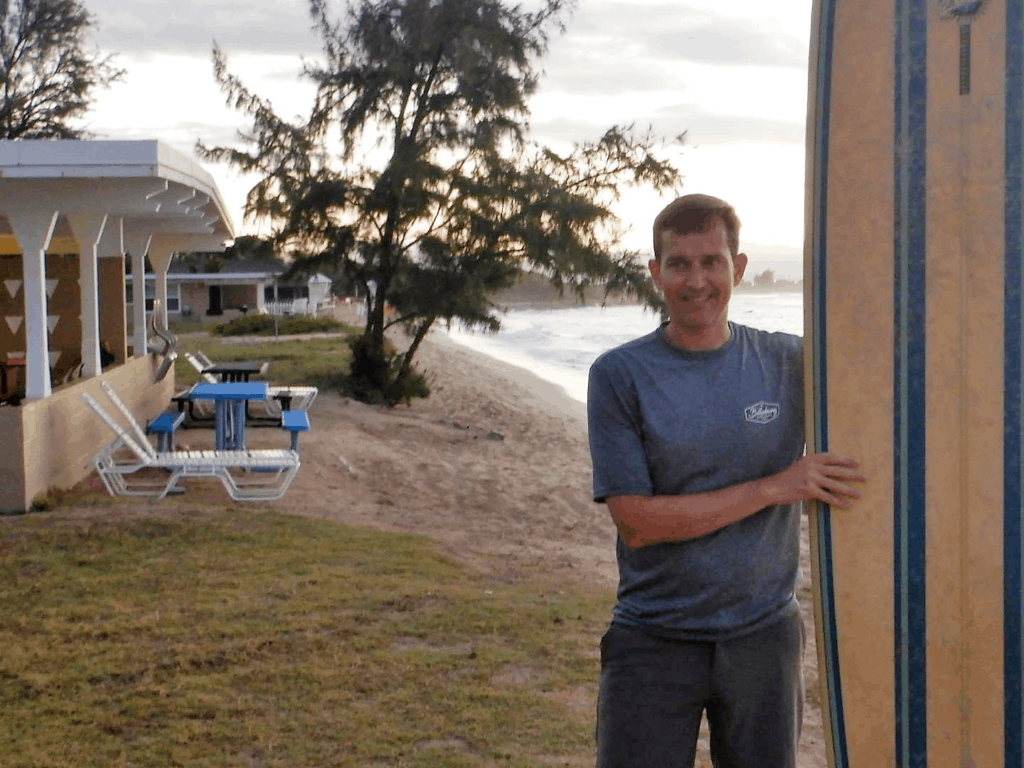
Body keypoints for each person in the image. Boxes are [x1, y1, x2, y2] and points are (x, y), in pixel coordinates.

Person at [586, 194, 864, 768]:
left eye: (711, 261)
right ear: (656, 272)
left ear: (737, 268)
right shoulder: (619, 375)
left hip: (765, 639)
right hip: (652, 639)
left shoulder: (790, 362)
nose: (696, 281)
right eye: (680, 263)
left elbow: (883, 380)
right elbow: (636, 523)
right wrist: (774, 487)